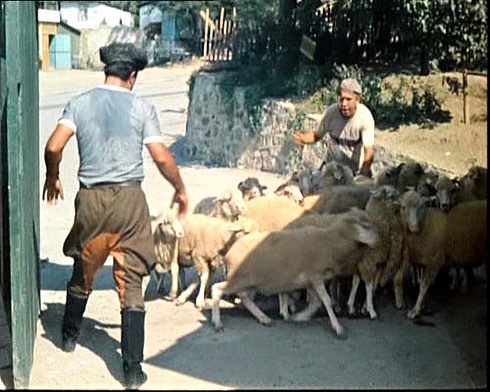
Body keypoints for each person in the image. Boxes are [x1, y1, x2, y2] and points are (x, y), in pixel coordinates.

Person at [42, 27, 188, 390]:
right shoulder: (142, 107)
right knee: (131, 281)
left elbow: (54, 145)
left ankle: (69, 336)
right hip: (129, 201)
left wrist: (53, 176)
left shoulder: (79, 102)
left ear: (106, 69)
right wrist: (180, 188)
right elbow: (160, 157)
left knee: (84, 269)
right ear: (133, 75)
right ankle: (132, 370)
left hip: (91, 199)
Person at [293, 78, 376, 177]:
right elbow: (317, 135)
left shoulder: (364, 117)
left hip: (354, 172)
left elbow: (369, 150)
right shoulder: (331, 113)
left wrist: (364, 172)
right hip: (332, 170)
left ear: (357, 100)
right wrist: (303, 139)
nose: (344, 104)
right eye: (341, 99)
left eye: (348, 99)